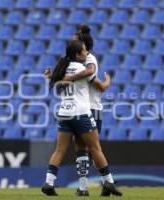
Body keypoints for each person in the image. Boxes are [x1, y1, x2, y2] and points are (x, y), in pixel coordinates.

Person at [41, 40, 122, 197]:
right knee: (95, 148)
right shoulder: (83, 69)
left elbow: (54, 82)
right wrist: (108, 81)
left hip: (64, 113)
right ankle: (109, 181)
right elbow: (101, 87)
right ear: (78, 54)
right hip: (82, 113)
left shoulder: (61, 69)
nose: (86, 53)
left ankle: (49, 182)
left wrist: (51, 76)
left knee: (60, 149)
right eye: (84, 51)